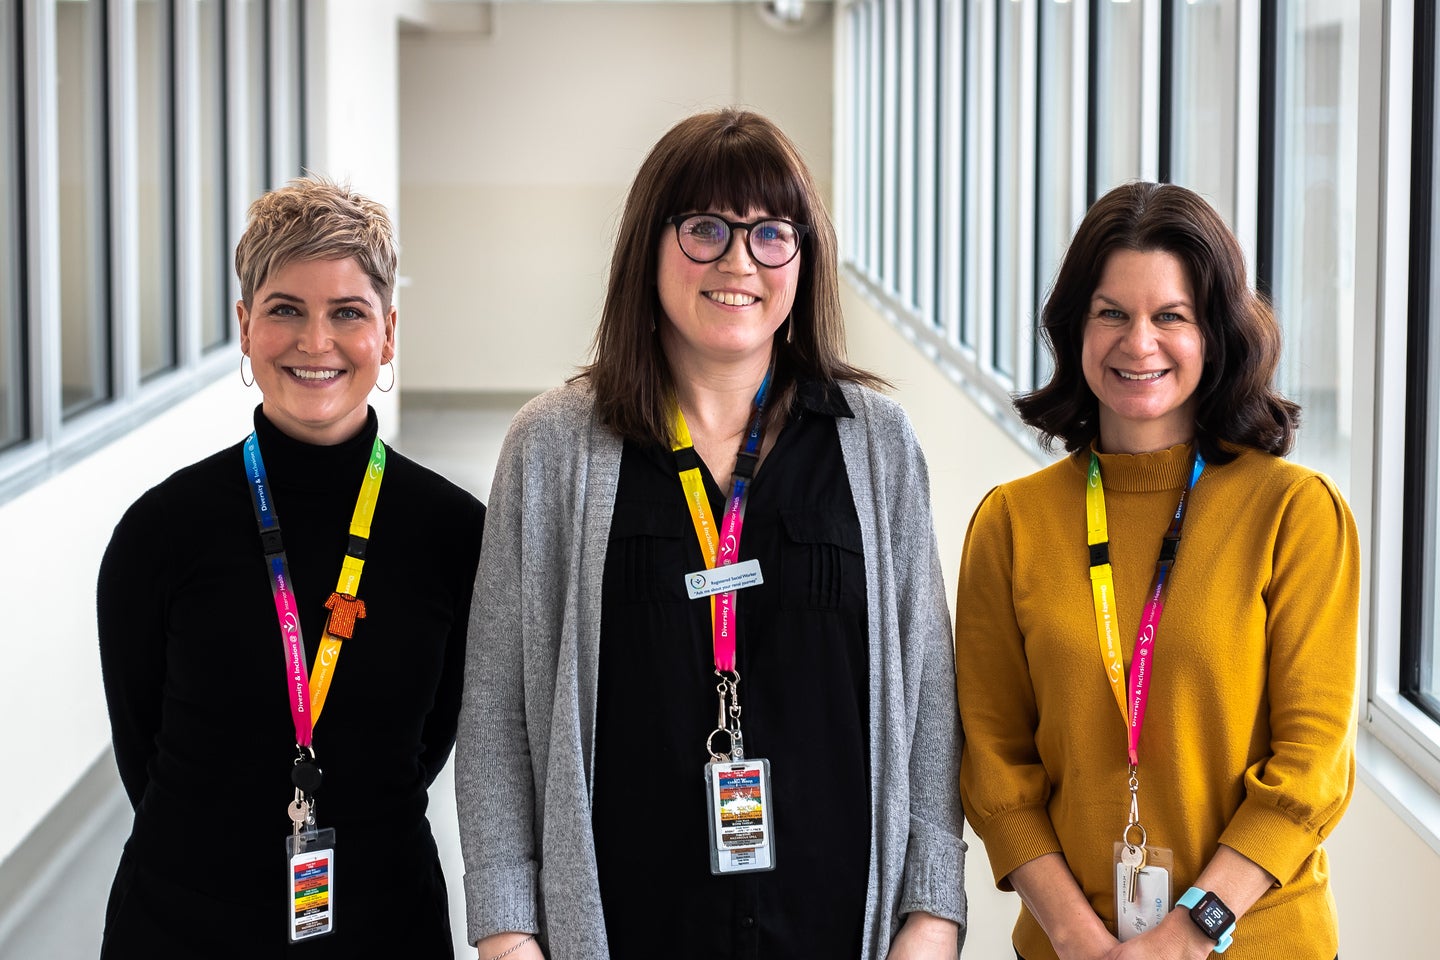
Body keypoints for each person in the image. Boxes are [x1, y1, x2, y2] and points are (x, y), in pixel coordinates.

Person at [455, 108, 966, 960]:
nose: (738, 262)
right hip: (626, 927)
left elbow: (927, 698)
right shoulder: (554, 446)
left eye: (772, 234)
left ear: (802, 259)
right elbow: (498, 710)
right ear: (647, 247)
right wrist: (510, 936)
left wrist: (931, 916)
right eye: (706, 230)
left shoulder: (875, 443)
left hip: (839, 931)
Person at [955, 182, 1358, 960]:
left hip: (1259, 943)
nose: (1139, 343)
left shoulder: (1296, 513)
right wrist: (1077, 939)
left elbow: (1309, 772)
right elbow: (995, 764)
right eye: (1112, 313)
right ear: (1076, 327)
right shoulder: (1011, 523)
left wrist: (1185, 935)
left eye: (1171, 316)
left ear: (1216, 335)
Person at [97, 178, 484, 958]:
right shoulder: (161, 531)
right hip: (184, 920)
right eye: (284, 310)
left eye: (347, 312)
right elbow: (144, 750)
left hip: (386, 918)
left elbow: (432, 739)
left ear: (389, 331)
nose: (316, 343)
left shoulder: (453, 532)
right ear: (244, 328)